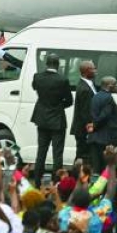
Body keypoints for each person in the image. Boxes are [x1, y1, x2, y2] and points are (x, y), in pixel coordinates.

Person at [29, 52, 72, 181]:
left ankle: (37, 181)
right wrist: (58, 106)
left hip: (41, 118)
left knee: (41, 152)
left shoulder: (37, 77)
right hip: (57, 120)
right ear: (58, 65)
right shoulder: (63, 80)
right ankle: (56, 182)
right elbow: (69, 100)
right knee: (57, 154)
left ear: (46, 64)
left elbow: (34, 87)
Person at [88, 76, 117, 173]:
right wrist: (95, 125)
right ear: (109, 86)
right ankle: (104, 187)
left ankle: (94, 187)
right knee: (106, 169)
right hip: (106, 139)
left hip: (94, 138)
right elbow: (104, 116)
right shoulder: (108, 98)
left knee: (95, 168)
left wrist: (93, 126)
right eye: (115, 84)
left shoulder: (95, 96)